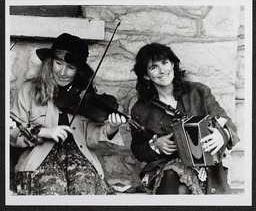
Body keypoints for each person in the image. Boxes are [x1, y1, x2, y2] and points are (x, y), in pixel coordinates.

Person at [10, 33, 126, 195]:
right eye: (58, 63)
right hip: (39, 158)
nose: (63, 72)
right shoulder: (29, 90)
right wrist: (43, 132)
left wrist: (110, 129)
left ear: (78, 71)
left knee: (84, 190)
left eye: (71, 68)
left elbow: (90, 138)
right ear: (49, 62)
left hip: (79, 156)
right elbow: (11, 132)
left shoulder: (83, 95)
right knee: (51, 190)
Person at [130, 43, 240, 194]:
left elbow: (226, 122)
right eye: (153, 67)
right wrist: (156, 145)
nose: (162, 70)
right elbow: (137, 149)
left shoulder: (199, 92)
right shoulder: (140, 109)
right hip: (164, 170)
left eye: (165, 62)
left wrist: (223, 135)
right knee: (173, 179)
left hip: (205, 169)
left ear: (173, 64)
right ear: (146, 75)